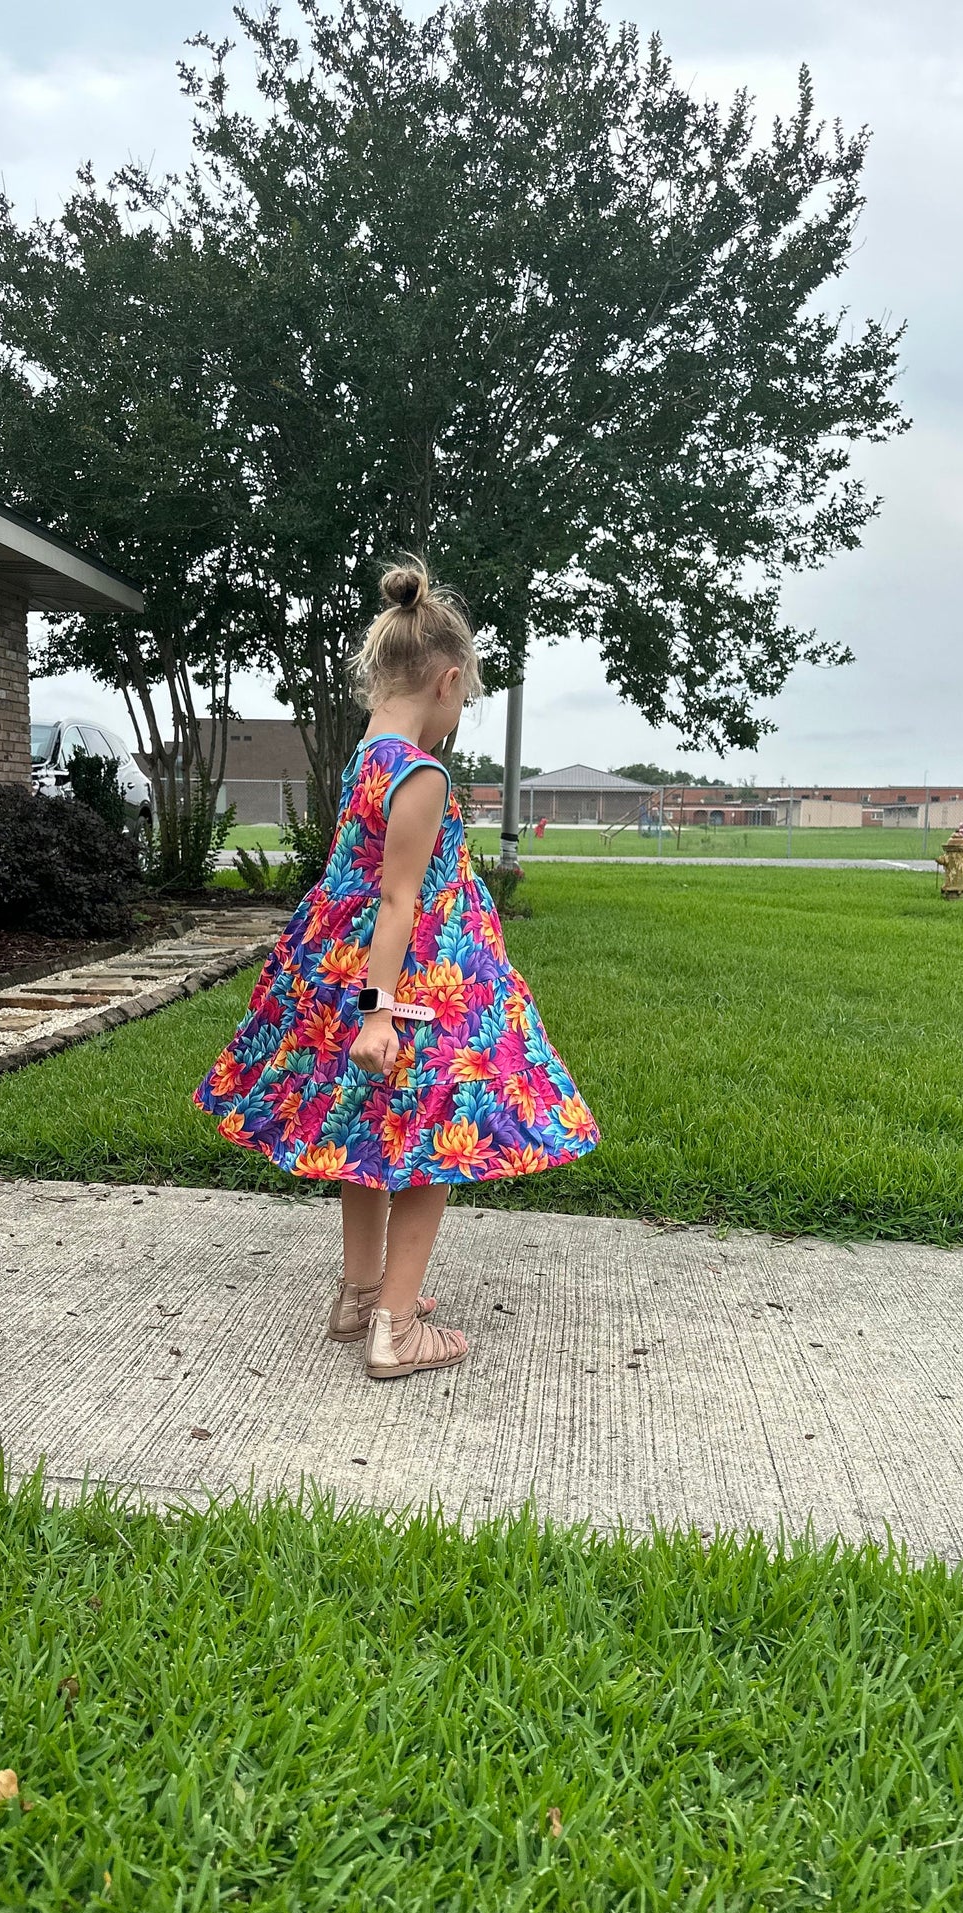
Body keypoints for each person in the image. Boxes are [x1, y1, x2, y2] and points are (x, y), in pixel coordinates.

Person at [194, 559, 599, 1380]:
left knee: (373, 1134)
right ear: (448, 681)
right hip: (415, 984)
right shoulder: (420, 771)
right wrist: (379, 1013)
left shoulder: (370, 755)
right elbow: (396, 899)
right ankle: (397, 1325)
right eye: (465, 698)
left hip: (349, 964)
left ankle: (359, 1292)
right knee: (431, 1137)